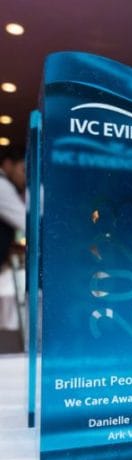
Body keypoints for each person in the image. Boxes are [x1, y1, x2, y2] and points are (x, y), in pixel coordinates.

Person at [0, 147, 26, 351]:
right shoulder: (2, 185)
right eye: (23, 170)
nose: (25, 177)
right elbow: (25, 220)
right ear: (8, 164)